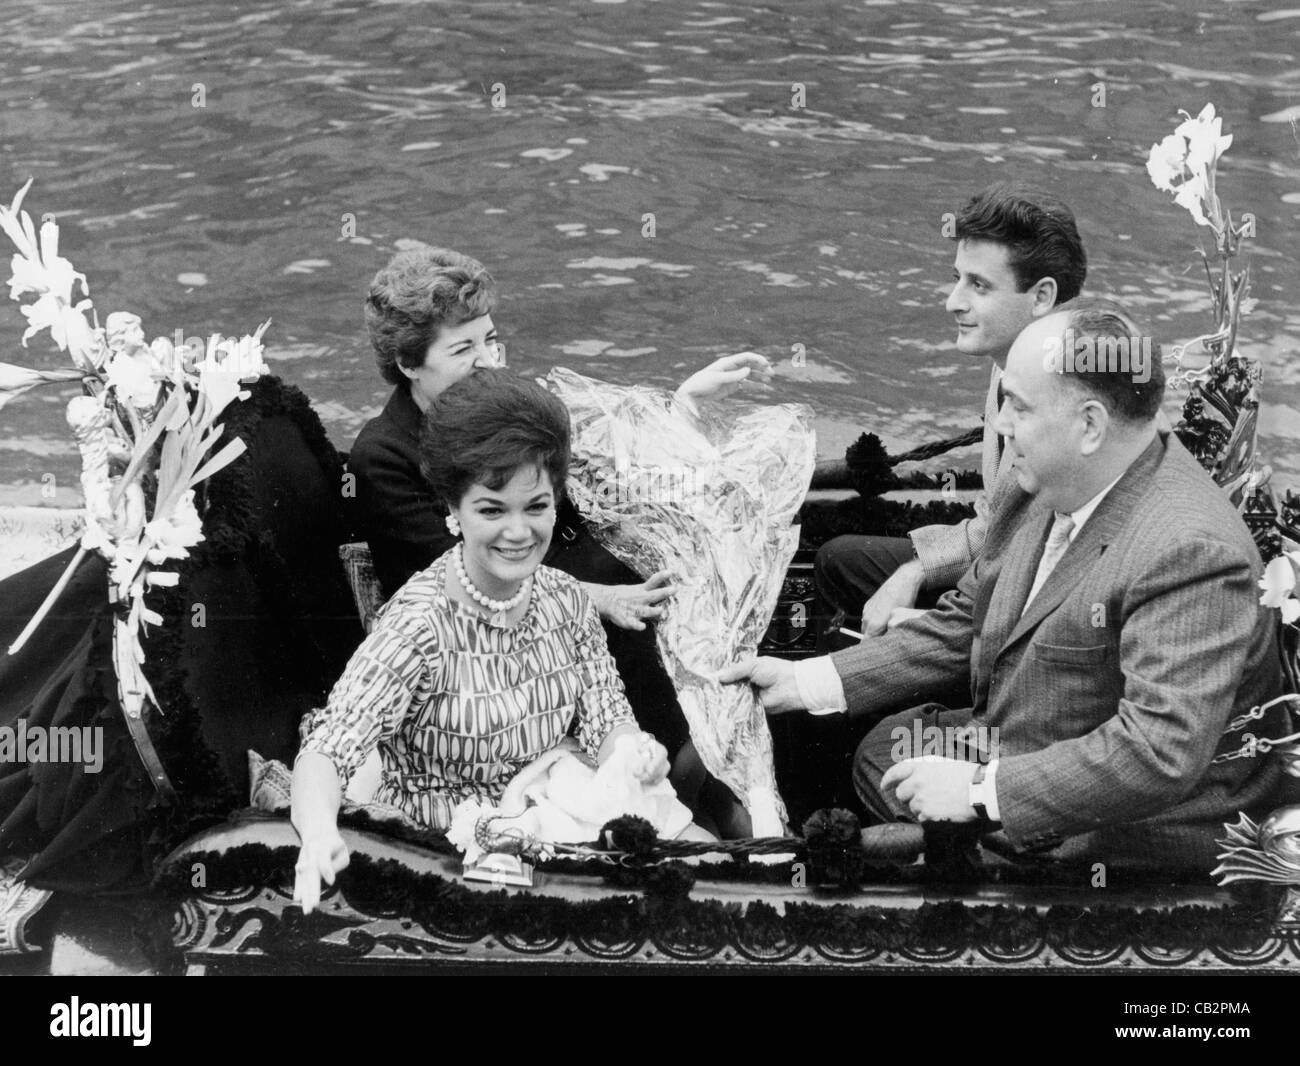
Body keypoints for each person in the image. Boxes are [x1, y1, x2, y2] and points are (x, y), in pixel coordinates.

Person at [722, 304, 1292, 869]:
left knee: (882, 803)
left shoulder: (1191, 551)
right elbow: (967, 618)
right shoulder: (1040, 483)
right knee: (881, 753)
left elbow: (1156, 752)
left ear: (1090, 425)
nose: (999, 426)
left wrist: (979, 791)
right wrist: (805, 681)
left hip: (1126, 831)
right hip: (1031, 742)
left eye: (1016, 406)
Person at [349, 245, 768, 831]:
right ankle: (691, 783)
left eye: (489, 340)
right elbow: (469, 571)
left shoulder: (504, 403)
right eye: (463, 348)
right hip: (489, 630)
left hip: (582, 573)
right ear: (408, 362)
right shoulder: (382, 455)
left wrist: (682, 410)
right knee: (632, 623)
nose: (486, 360)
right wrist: (594, 599)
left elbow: (607, 468)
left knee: (695, 591)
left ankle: (719, 764)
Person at [292, 370, 706, 913]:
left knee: (719, 876)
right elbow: (326, 752)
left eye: (535, 507)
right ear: (453, 510)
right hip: (452, 858)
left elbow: (608, 719)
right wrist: (319, 833)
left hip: (558, 810)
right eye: (492, 510)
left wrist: (634, 754)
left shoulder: (565, 597)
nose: (518, 532)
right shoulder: (418, 625)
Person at [815, 184, 1086, 637]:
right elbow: (997, 525)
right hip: (997, 565)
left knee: (846, 568)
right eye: (958, 277)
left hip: (1022, 612)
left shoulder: (1058, 408)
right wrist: (916, 569)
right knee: (841, 559)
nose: (953, 300)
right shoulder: (1012, 358)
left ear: (1040, 297)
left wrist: (919, 586)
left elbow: (1015, 567)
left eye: (978, 285)